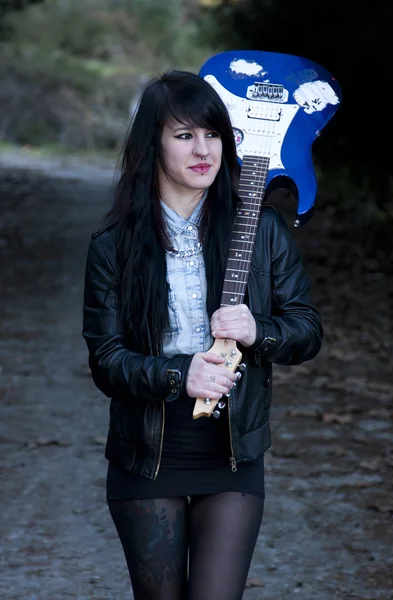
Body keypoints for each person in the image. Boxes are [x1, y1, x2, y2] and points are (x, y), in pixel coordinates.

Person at [82, 69, 322, 600]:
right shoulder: (113, 246)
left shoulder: (259, 230)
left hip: (232, 453)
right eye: (184, 134)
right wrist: (178, 371)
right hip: (148, 452)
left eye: (213, 134)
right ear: (154, 143)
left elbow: (306, 330)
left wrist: (261, 331)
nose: (203, 149)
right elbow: (106, 360)